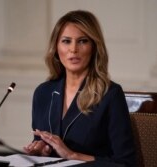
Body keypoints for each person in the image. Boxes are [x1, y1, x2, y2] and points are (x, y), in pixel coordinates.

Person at [24, 10, 136, 166]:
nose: (73, 49)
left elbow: (126, 163)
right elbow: (40, 144)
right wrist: (40, 149)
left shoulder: (110, 94)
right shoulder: (43, 93)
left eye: (82, 41)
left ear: (94, 47)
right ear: (56, 48)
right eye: (66, 41)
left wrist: (72, 155)